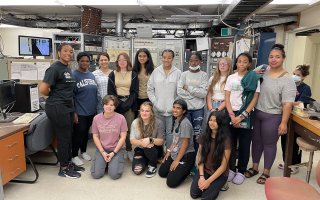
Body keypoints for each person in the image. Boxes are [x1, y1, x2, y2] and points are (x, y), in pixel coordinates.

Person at [246, 44, 296, 184]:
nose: (273, 60)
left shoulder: (288, 80)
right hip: (257, 113)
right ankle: (254, 167)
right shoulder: (263, 69)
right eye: (271, 57)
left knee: (269, 144)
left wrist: (284, 122)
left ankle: (266, 171)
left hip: (273, 116)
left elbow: (287, 103)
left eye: (277, 57)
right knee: (256, 142)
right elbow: (248, 76)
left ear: (283, 59)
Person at [39, 43, 84, 178]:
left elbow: (68, 91)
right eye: (65, 51)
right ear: (59, 53)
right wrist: (56, 97)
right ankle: (63, 168)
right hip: (57, 107)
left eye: (71, 52)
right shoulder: (54, 68)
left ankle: (68, 162)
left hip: (67, 107)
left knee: (68, 136)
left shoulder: (67, 68)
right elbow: (42, 90)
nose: (69, 54)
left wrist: (73, 111)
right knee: (63, 138)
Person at [225, 52, 260, 185]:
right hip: (232, 113)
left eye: (245, 61)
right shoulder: (231, 78)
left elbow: (255, 98)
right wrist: (232, 115)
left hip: (246, 114)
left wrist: (242, 116)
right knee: (231, 144)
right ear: (236, 62)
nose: (242, 64)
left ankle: (241, 171)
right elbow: (227, 97)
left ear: (249, 64)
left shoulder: (253, 78)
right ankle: (231, 169)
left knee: (245, 145)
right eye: (239, 61)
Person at [190, 111, 231, 200]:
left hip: (219, 173)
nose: (211, 123)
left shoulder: (226, 140)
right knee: (194, 194)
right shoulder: (204, 136)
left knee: (206, 198)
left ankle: (222, 183)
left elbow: (223, 167)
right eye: (210, 120)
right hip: (205, 170)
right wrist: (201, 177)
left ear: (220, 123)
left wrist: (208, 181)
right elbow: (200, 158)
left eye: (215, 121)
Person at [279, 64, 312, 174]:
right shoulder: (288, 85)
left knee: (294, 141)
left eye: (297, 75)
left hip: (297, 118)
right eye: (293, 74)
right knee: (284, 140)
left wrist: (287, 102)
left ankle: (295, 165)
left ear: (303, 77)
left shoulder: (306, 88)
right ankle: (286, 161)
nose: (294, 76)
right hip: (286, 116)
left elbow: (300, 103)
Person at [147, 49, 182, 149]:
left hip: (172, 111)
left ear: (173, 59)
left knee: (170, 134)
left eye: (169, 58)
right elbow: (149, 89)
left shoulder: (178, 73)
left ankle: (168, 155)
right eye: (164, 57)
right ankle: (158, 155)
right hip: (158, 110)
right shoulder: (156, 71)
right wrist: (155, 103)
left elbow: (180, 92)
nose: (166, 60)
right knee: (157, 133)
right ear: (161, 58)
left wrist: (175, 107)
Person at [158, 99, 196, 188]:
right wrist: (168, 152)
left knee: (171, 183)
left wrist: (177, 160)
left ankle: (187, 169)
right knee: (162, 173)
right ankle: (177, 169)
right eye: (174, 107)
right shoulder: (176, 120)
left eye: (178, 108)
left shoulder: (185, 124)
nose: (175, 110)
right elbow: (175, 140)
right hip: (176, 152)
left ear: (184, 111)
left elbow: (185, 144)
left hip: (186, 155)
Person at [108, 52, 138, 154]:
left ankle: (129, 149)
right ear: (117, 62)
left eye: (124, 60)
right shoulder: (113, 74)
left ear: (128, 61)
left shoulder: (133, 74)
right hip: (116, 104)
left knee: (128, 128)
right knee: (116, 129)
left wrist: (128, 103)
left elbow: (135, 91)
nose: (122, 62)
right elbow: (110, 91)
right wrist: (118, 103)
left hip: (129, 103)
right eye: (120, 60)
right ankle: (117, 150)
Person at [91, 95, 127, 180]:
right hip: (102, 149)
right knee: (96, 175)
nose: (108, 107)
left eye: (111, 105)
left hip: (116, 149)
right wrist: (103, 152)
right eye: (106, 104)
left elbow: (123, 137)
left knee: (114, 175)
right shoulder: (96, 118)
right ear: (103, 105)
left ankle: (111, 163)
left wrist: (113, 153)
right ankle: (106, 163)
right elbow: (95, 136)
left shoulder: (121, 118)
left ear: (115, 107)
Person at [177, 52, 208, 152]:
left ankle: (195, 158)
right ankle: (185, 156)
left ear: (200, 61)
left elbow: (203, 93)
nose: (193, 63)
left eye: (196, 61)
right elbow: (179, 91)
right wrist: (195, 93)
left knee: (197, 135)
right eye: (191, 61)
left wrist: (189, 88)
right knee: (185, 134)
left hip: (198, 110)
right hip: (185, 109)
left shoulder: (204, 75)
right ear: (188, 62)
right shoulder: (184, 75)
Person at [71, 52, 98, 166]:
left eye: (87, 61)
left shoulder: (91, 75)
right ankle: (74, 155)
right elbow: (71, 95)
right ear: (78, 62)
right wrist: (74, 112)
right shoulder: (74, 75)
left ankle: (84, 151)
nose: (85, 63)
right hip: (80, 111)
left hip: (91, 110)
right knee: (78, 133)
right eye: (82, 61)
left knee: (86, 132)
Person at [130, 101, 164, 178]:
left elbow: (161, 141)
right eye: (142, 110)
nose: (144, 113)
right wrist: (142, 142)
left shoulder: (159, 123)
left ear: (152, 112)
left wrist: (150, 140)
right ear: (139, 111)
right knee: (137, 170)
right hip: (140, 148)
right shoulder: (135, 122)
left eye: (147, 111)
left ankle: (153, 165)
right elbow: (132, 140)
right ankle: (146, 160)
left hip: (154, 149)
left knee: (148, 145)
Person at [133, 48, 155, 117]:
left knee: (149, 119)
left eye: (144, 56)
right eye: (140, 56)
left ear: (148, 58)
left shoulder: (153, 70)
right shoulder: (134, 70)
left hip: (149, 98)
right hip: (136, 99)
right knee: (138, 119)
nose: (142, 58)